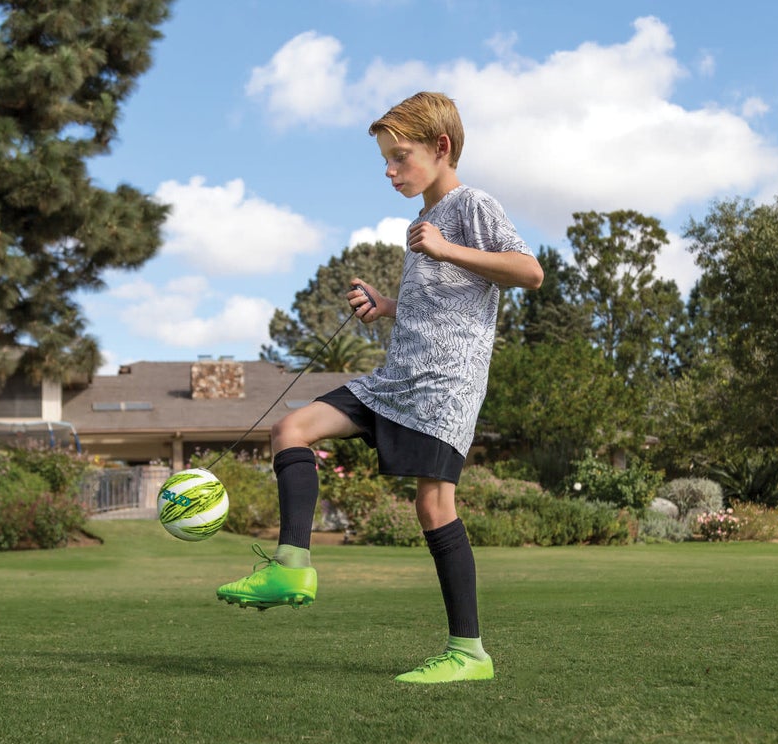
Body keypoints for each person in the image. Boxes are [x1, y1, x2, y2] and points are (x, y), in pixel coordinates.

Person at [217, 91, 543, 683]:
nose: (390, 172)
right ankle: (292, 565)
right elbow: (440, 302)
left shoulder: (472, 205)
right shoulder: (421, 222)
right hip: (395, 379)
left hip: (445, 387)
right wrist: (389, 305)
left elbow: (530, 271)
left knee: (433, 504)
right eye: (385, 162)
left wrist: (448, 248)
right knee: (291, 427)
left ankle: (468, 653)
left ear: (441, 148)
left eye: (400, 157)